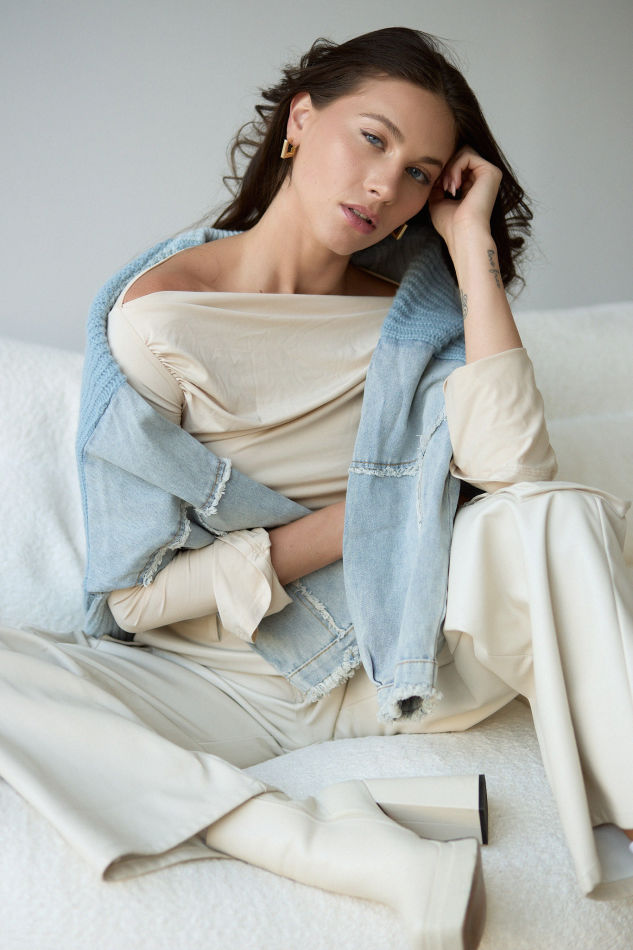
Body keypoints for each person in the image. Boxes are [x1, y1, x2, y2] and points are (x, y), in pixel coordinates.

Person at [1, 25, 632, 950]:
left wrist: (470, 251)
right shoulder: (160, 319)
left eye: (419, 173)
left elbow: (513, 476)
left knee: (560, 514)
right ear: (300, 120)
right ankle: (334, 842)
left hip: (407, 658)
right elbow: (135, 598)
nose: (383, 185)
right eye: (372, 139)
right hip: (225, 682)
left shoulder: (418, 314)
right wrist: (371, 517)